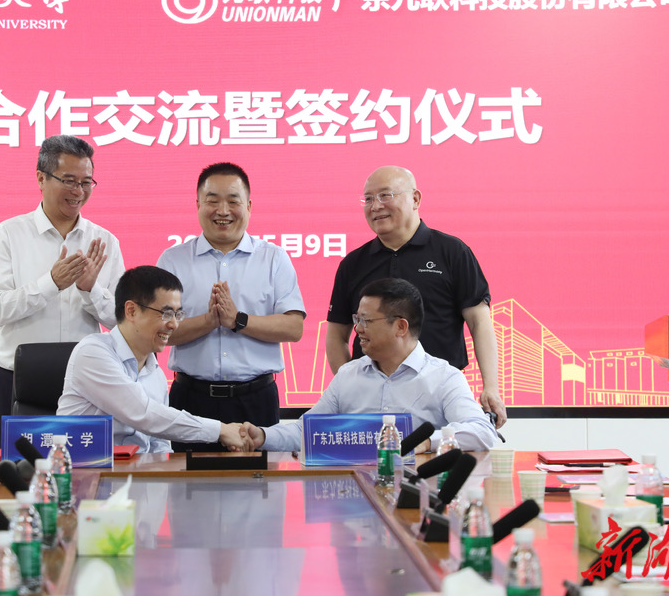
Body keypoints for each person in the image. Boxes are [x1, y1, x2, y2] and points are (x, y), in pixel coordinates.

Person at [326, 166, 506, 427]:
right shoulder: (353, 264)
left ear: (415, 198)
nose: (375, 206)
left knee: (439, 449)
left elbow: (479, 322)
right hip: (372, 400)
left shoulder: (452, 252)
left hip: (437, 395)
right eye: (368, 199)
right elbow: (336, 335)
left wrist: (491, 387)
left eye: (385, 195)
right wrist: (351, 386)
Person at [0, 135, 124, 448]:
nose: (79, 192)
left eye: (86, 182)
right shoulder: (8, 235)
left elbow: (121, 321)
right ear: (41, 178)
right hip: (17, 381)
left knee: (86, 472)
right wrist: (51, 283)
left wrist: (90, 290)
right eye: (69, 181)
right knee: (16, 472)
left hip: (84, 381)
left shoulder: (104, 242)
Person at [243, 278, 496, 453]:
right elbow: (306, 431)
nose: (357, 329)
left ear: (401, 326)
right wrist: (262, 436)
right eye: (357, 319)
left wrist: (428, 442)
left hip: (417, 498)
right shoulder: (348, 375)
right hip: (353, 498)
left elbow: (483, 431)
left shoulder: (444, 377)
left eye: (366, 321)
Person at [156, 162, 306, 451]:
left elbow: (293, 327)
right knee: (185, 480)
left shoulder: (273, 259)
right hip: (191, 400)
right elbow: (158, 332)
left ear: (248, 206)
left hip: (256, 400)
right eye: (212, 201)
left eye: (233, 201)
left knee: (258, 479)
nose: (222, 211)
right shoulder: (173, 260)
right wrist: (208, 322)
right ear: (198, 205)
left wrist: (238, 320)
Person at [57, 265, 249, 451]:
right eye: (166, 314)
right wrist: (220, 430)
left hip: (138, 470)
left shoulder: (156, 374)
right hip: (87, 469)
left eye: (178, 314)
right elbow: (143, 413)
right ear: (131, 311)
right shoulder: (93, 352)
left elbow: (159, 443)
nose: (174, 324)